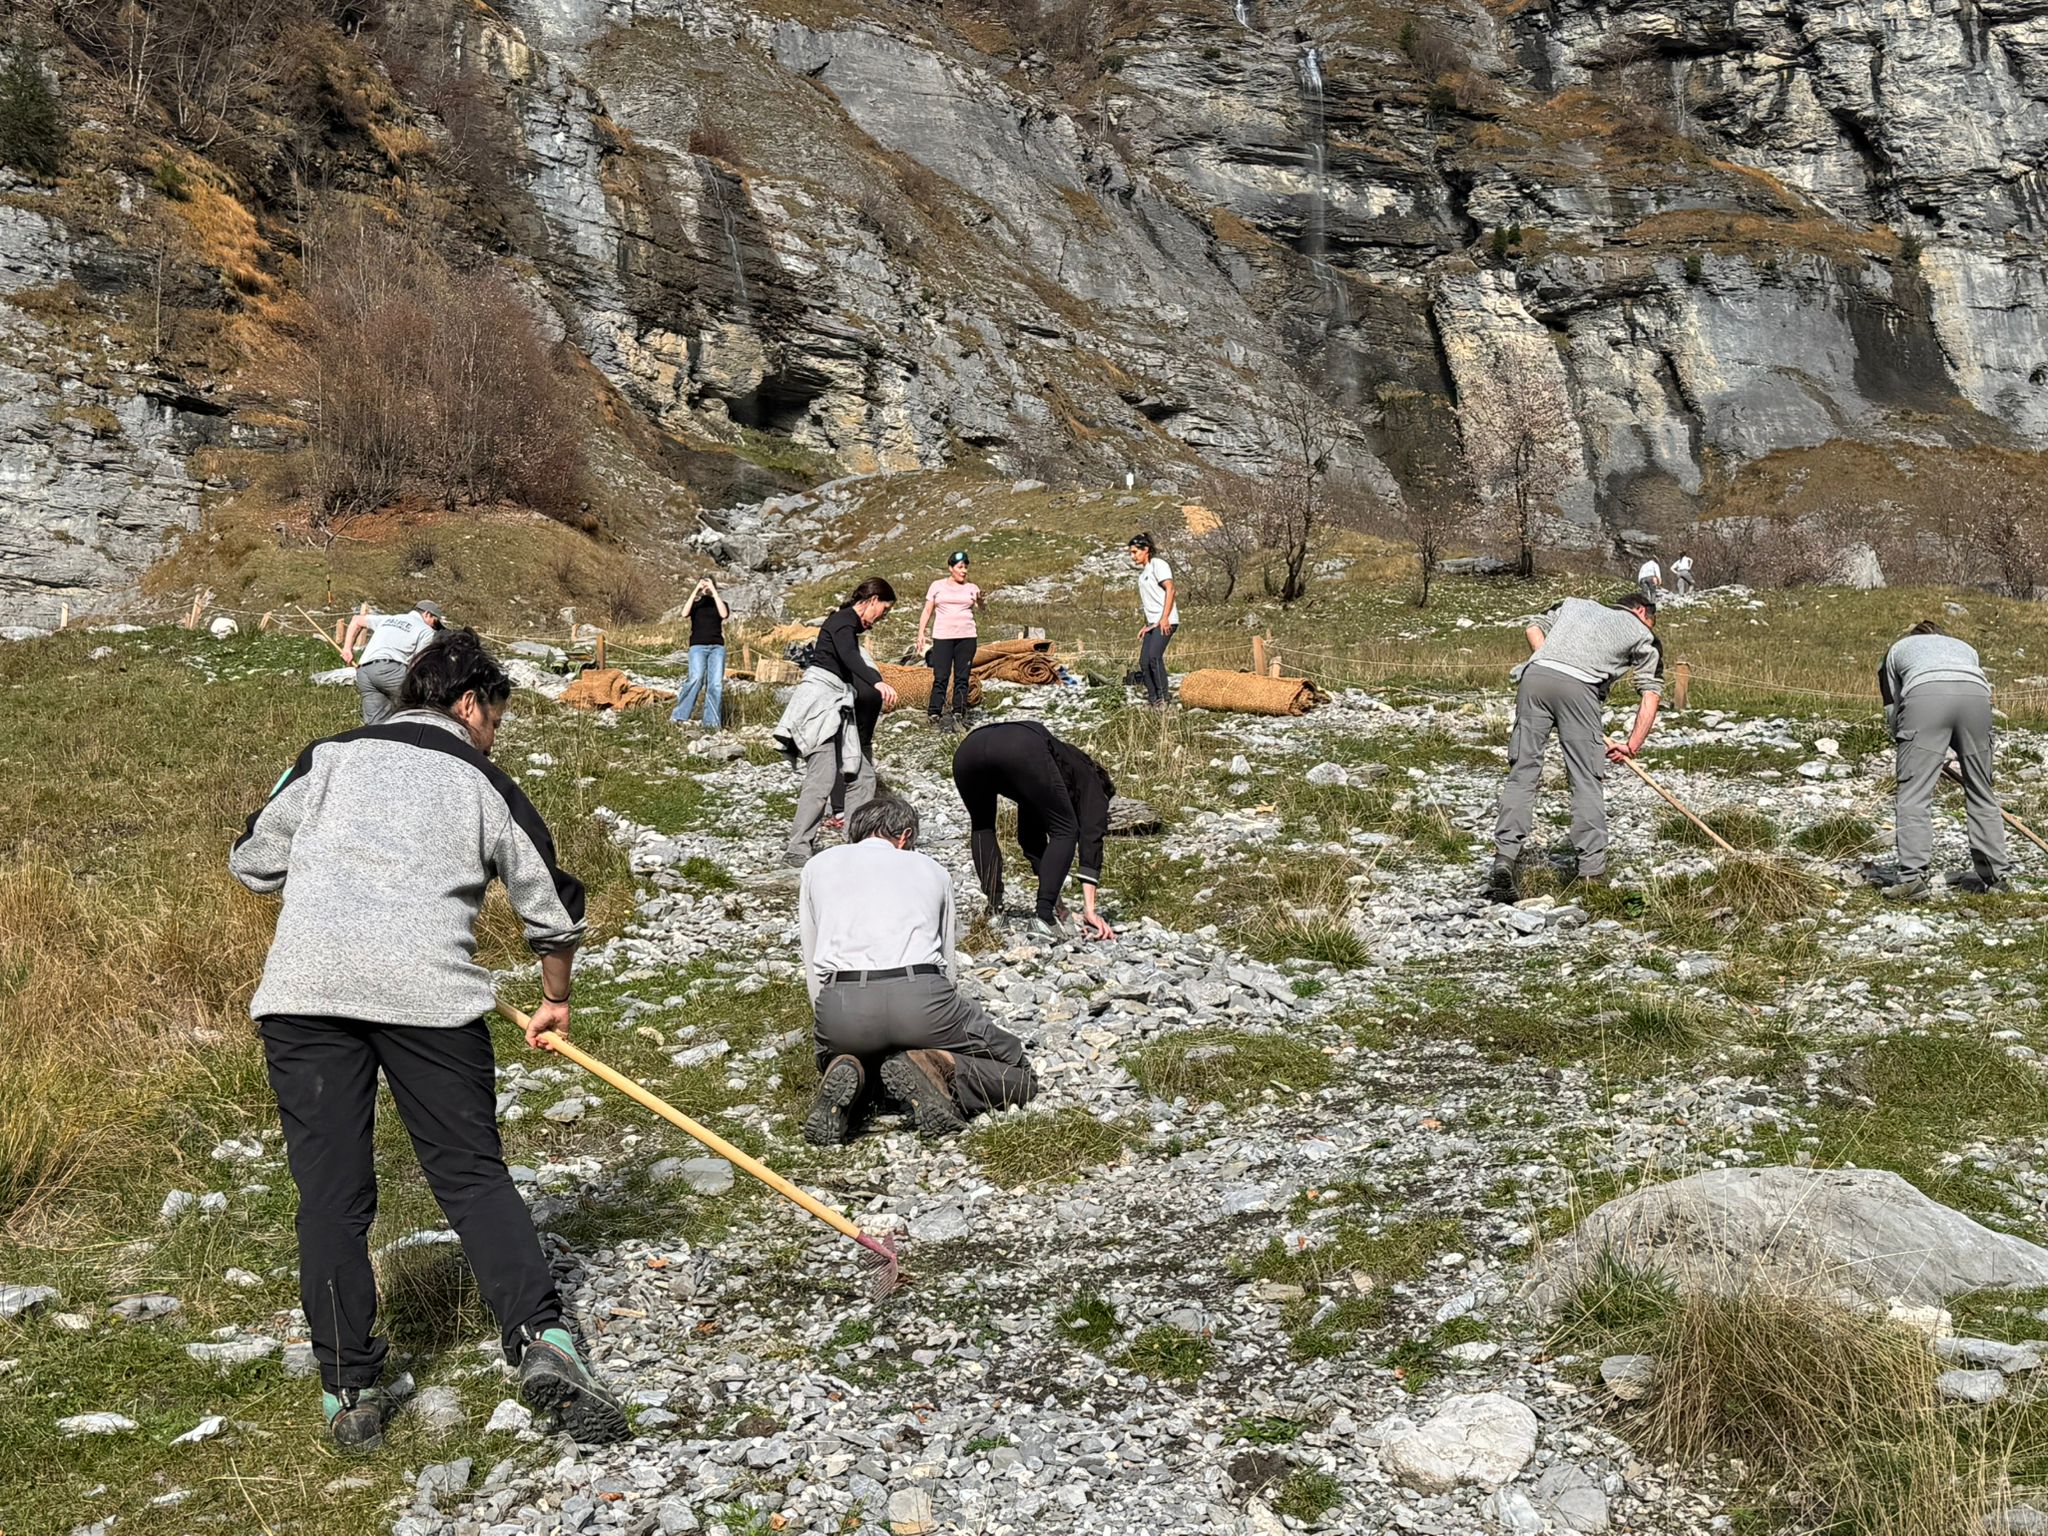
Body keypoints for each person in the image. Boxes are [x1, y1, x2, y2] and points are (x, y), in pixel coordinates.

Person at [228, 628, 626, 1453]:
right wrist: (556, 999)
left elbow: (254, 863)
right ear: (470, 704)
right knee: (473, 1177)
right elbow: (553, 904)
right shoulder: (485, 780)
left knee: (331, 1199)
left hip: (306, 996)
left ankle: (348, 1392)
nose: (495, 736)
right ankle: (543, 1342)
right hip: (430, 1000)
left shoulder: (328, 755)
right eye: (496, 720)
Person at [799, 794, 1037, 1143]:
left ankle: (850, 1070)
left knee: (840, 1052)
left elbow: (812, 954)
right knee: (1019, 1072)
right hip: (922, 997)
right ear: (905, 836)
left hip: (843, 1003)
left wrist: (828, 1025)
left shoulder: (817, 867)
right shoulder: (932, 870)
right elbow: (947, 963)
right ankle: (935, 1063)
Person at [1488, 591, 1664, 902]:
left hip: (1535, 677)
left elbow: (1533, 626)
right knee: (1585, 779)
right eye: (1651, 620)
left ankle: (1504, 859)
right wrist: (1632, 745)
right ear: (1641, 610)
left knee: (1523, 770)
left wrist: (1550, 662)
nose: (1650, 626)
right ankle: (1591, 874)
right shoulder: (1642, 632)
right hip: (1581, 688)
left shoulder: (1574, 604)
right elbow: (1651, 692)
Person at [953, 720, 1118, 942]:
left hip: (969, 748)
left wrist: (1061, 906)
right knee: (1066, 830)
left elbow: (1030, 840)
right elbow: (1092, 840)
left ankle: (994, 910)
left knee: (982, 827)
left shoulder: (1055, 771)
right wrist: (1090, 910)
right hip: (1020, 746)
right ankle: (1043, 920)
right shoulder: (1093, 783)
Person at [1879, 621, 2009, 900]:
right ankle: (1996, 877)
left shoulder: (1897, 650)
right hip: (1976, 698)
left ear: (1914, 636)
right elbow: (1976, 686)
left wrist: (1908, 745)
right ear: (1941, 636)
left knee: (1914, 793)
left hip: (1925, 696)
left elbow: (1893, 706)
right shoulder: (1965, 648)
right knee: (1981, 790)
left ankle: (1912, 878)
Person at [776, 578, 898, 868]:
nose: (883, 617)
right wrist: (878, 682)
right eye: (884, 609)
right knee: (822, 775)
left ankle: (855, 843)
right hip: (821, 705)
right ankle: (797, 847)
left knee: (863, 776)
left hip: (840, 709)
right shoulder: (843, 622)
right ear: (871, 601)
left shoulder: (849, 627)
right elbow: (849, 656)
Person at [342, 599, 444, 724]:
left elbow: (356, 620)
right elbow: (417, 663)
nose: (434, 626)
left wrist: (347, 649)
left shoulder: (389, 619)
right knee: (423, 702)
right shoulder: (426, 631)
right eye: (435, 621)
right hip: (391, 669)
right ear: (427, 614)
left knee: (375, 723)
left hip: (364, 671)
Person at [916, 550, 985, 730]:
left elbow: (981, 608)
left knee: (962, 677)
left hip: (967, 637)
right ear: (951, 568)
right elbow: (927, 611)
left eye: (966, 568)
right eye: (960, 567)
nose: (964, 571)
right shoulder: (937, 586)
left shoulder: (972, 587)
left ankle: (958, 713)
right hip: (943, 637)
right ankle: (934, 713)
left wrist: (981, 600)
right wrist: (921, 633)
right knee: (941, 676)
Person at [671, 576, 730, 729]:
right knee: (696, 678)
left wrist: (714, 592)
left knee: (715, 684)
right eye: (704, 585)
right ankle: (679, 715)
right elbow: (684, 613)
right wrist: (696, 589)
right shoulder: (696, 605)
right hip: (697, 646)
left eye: (708, 584)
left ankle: (711, 722)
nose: (706, 588)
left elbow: (724, 615)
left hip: (717, 647)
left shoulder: (721, 604)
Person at [1128, 533, 1177, 708]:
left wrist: (1164, 618)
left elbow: (1170, 589)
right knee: (1144, 661)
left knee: (1154, 657)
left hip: (1166, 620)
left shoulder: (1158, 565)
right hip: (1153, 623)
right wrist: (1147, 624)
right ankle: (1153, 698)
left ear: (1145, 550)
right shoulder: (1143, 574)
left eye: (1135, 552)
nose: (1133, 556)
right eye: (1131, 553)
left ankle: (1164, 699)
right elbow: (1151, 602)